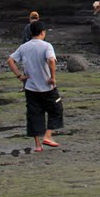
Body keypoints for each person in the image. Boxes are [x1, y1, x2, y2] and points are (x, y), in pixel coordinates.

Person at [7, 19, 63, 153]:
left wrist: (20, 76)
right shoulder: (46, 46)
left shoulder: (24, 47)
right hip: (47, 87)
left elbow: (10, 60)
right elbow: (51, 60)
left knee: (34, 115)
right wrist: (53, 77)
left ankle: (38, 145)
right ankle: (48, 136)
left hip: (31, 88)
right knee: (56, 109)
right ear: (43, 32)